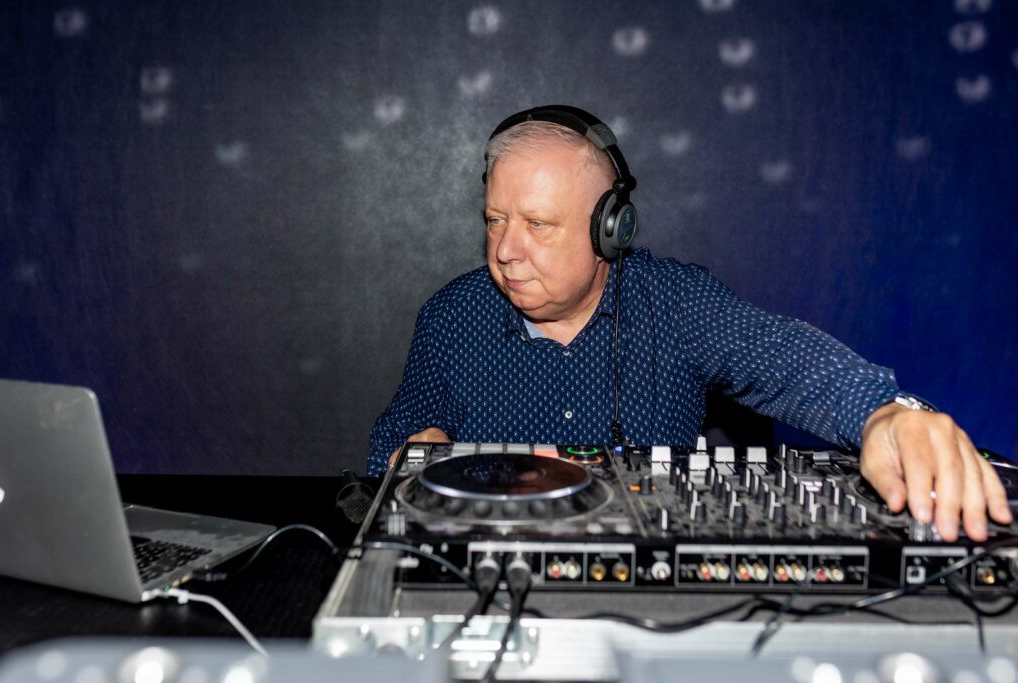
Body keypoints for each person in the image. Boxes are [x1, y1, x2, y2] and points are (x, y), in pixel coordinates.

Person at [368, 105, 1012, 543]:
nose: (506, 250)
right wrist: (411, 453)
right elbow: (393, 439)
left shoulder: (675, 302)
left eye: (537, 224)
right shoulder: (452, 316)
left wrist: (885, 413)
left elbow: (783, 358)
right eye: (495, 221)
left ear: (608, 231)